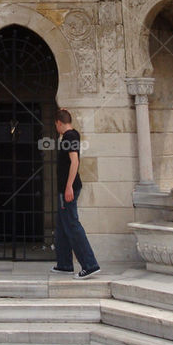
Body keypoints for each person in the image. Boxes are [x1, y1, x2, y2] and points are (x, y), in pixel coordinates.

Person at [51, 109, 100, 280]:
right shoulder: (71, 135)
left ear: (59, 122)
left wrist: (69, 187)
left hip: (68, 189)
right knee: (62, 227)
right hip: (65, 188)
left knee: (72, 225)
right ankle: (64, 265)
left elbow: (75, 161)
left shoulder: (70, 136)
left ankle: (90, 265)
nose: (56, 127)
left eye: (56, 124)